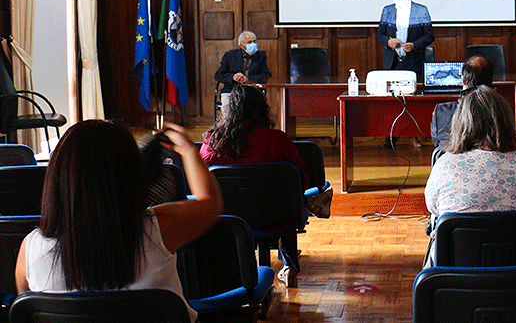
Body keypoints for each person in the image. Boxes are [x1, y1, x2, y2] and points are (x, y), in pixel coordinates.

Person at [15, 120, 221, 323]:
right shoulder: (159, 230)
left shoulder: (30, 249)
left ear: (55, 179)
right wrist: (189, 152)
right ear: (131, 175)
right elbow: (210, 203)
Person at [200, 84, 327, 288]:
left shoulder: (213, 143)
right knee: (289, 199)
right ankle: (290, 265)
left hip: (229, 223)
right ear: (262, 109)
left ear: (228, 111)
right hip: (279, 219)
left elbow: (201, 184)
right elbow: (301, 181)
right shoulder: (277, 139)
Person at [424, 85, 516, 267]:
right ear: (506, 119)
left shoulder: (445, 163)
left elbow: (433, 207)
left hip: (459, 278)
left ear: (461, 122)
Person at [376, 0, 435, 148]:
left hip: (413, 60)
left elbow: (429, 36)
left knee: (412, 100)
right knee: (391, 100)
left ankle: (413, 136)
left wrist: (415, 45)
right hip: (392, 60)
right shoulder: (387, 11)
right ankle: (390, 136)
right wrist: (388, 41)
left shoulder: (421, 11)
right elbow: (379, 34)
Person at [430, 55, 494, 165]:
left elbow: (438, 142)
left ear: (463, 81)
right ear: (491, 81)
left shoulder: (442, 111)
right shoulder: (503, 110)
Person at [215, 30, 272, 112]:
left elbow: (266, 75)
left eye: (254, 42)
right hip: (231, 90)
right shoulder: (229, 55)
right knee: (228, 112)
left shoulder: (261, 56)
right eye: (249, 42)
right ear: (241, 46)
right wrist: (233, 77)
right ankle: (229, 124)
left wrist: (248, 79)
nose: (253, 44)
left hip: (253, 90)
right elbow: (219, 75)